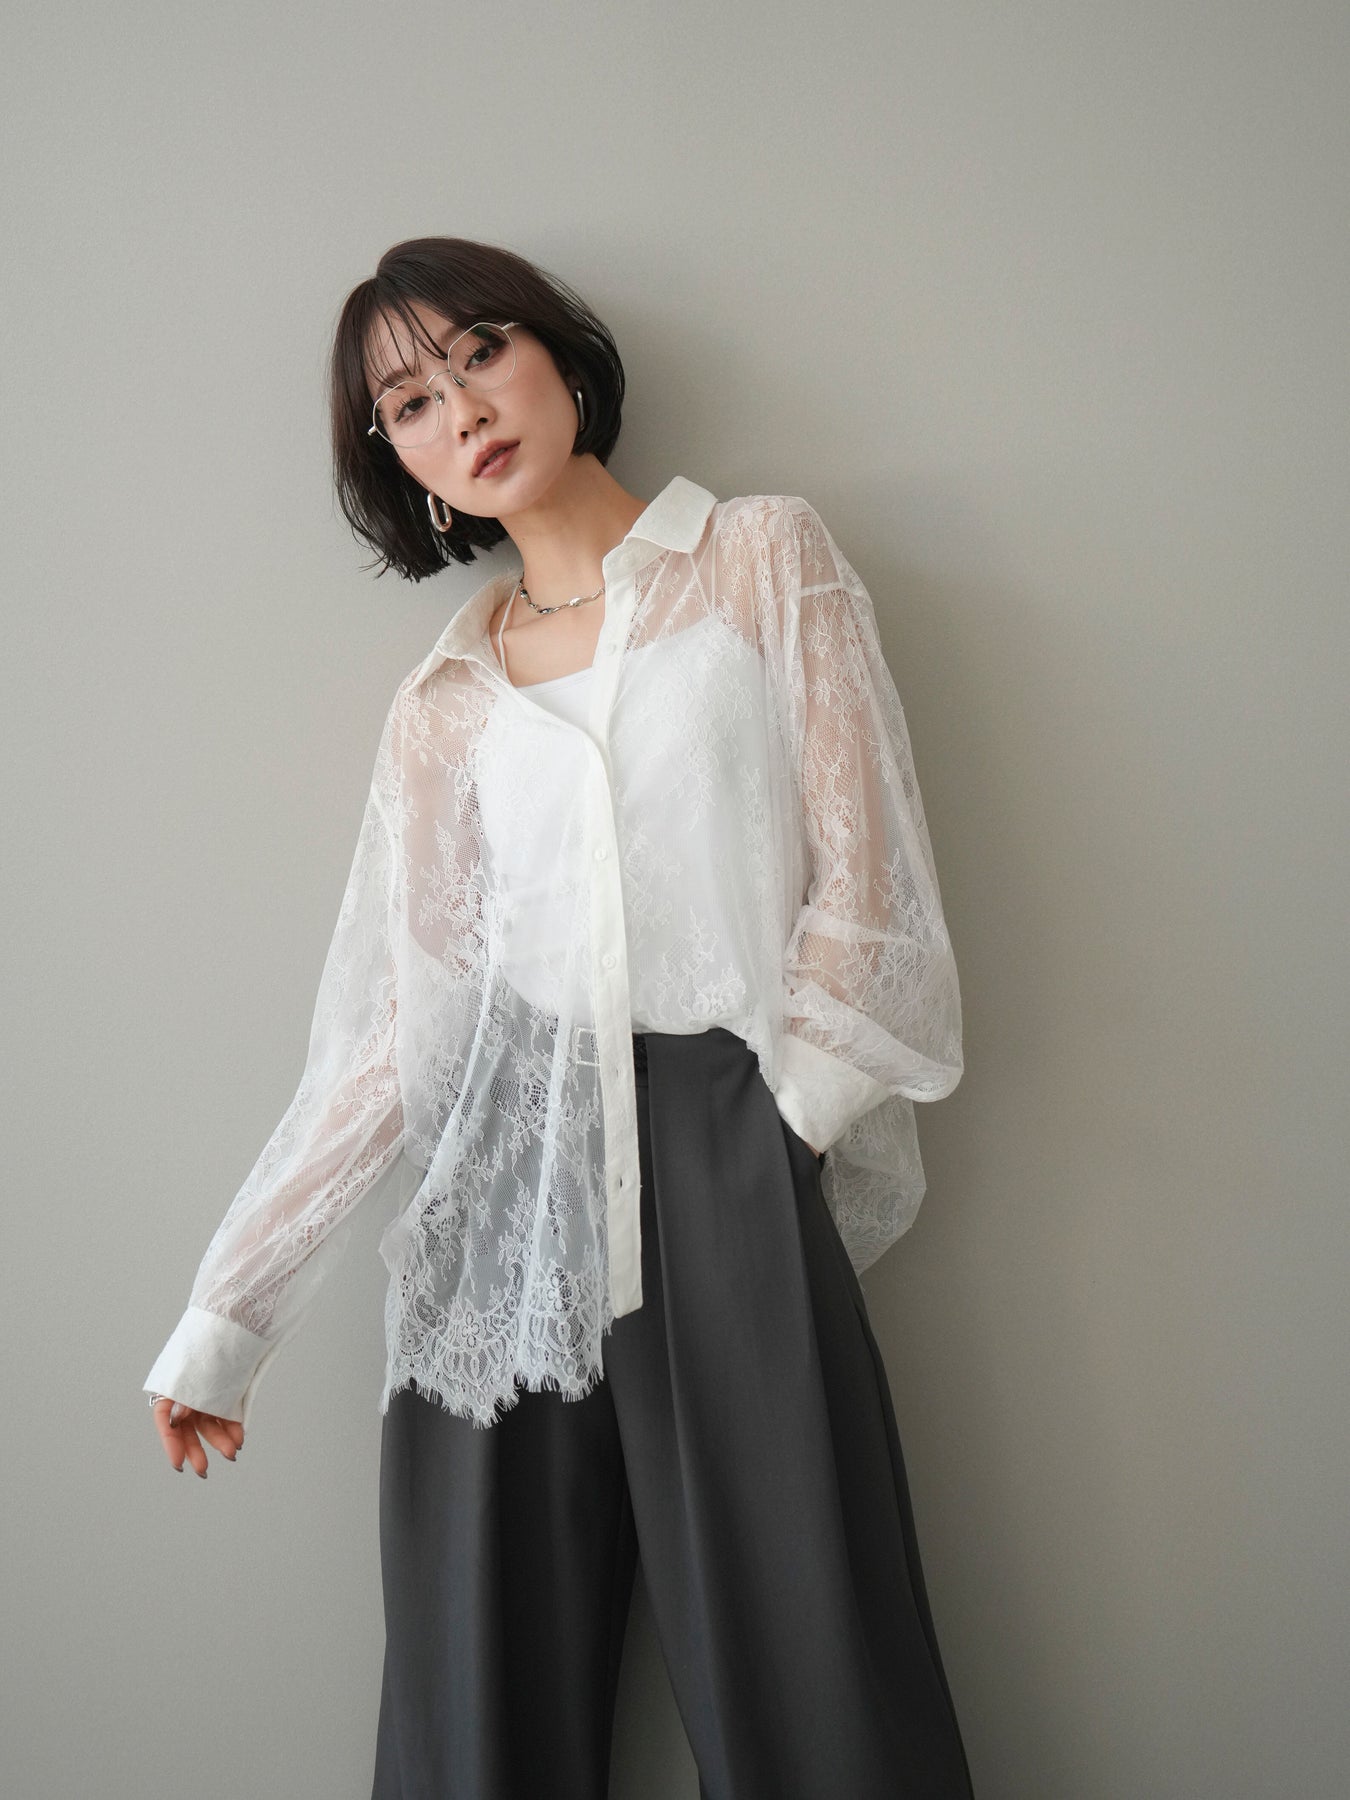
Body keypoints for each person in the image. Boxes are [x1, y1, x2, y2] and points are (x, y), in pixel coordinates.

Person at [143, 235, 976, 1799]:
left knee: (813, 1678)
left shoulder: (760, 558)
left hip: (725, 1146)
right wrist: (227, 1317)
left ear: (562, 361)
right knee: (475, 1702)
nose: (460, 408)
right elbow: (394, 1039)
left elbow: (871, 903)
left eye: (479, 354)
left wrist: (768, 1132)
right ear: (400, 465)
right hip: (498, 1203)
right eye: (409, 402)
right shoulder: (444, 705)